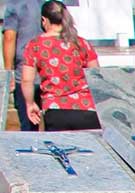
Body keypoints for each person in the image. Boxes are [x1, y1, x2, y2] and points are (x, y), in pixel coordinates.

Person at [21, 0, 98, 131]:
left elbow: (27, 79)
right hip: (87, 109)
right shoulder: (82, 43)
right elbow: (96, 75)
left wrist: (30, 104)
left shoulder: (34, 45)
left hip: (55, 110)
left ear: (44, 20)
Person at [3, 0, 42, 130]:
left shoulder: (14, 5)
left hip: (25, 72)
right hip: (50, 71)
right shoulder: (49, 4)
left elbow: (9, 37)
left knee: (28, 125)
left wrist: (9, 73)